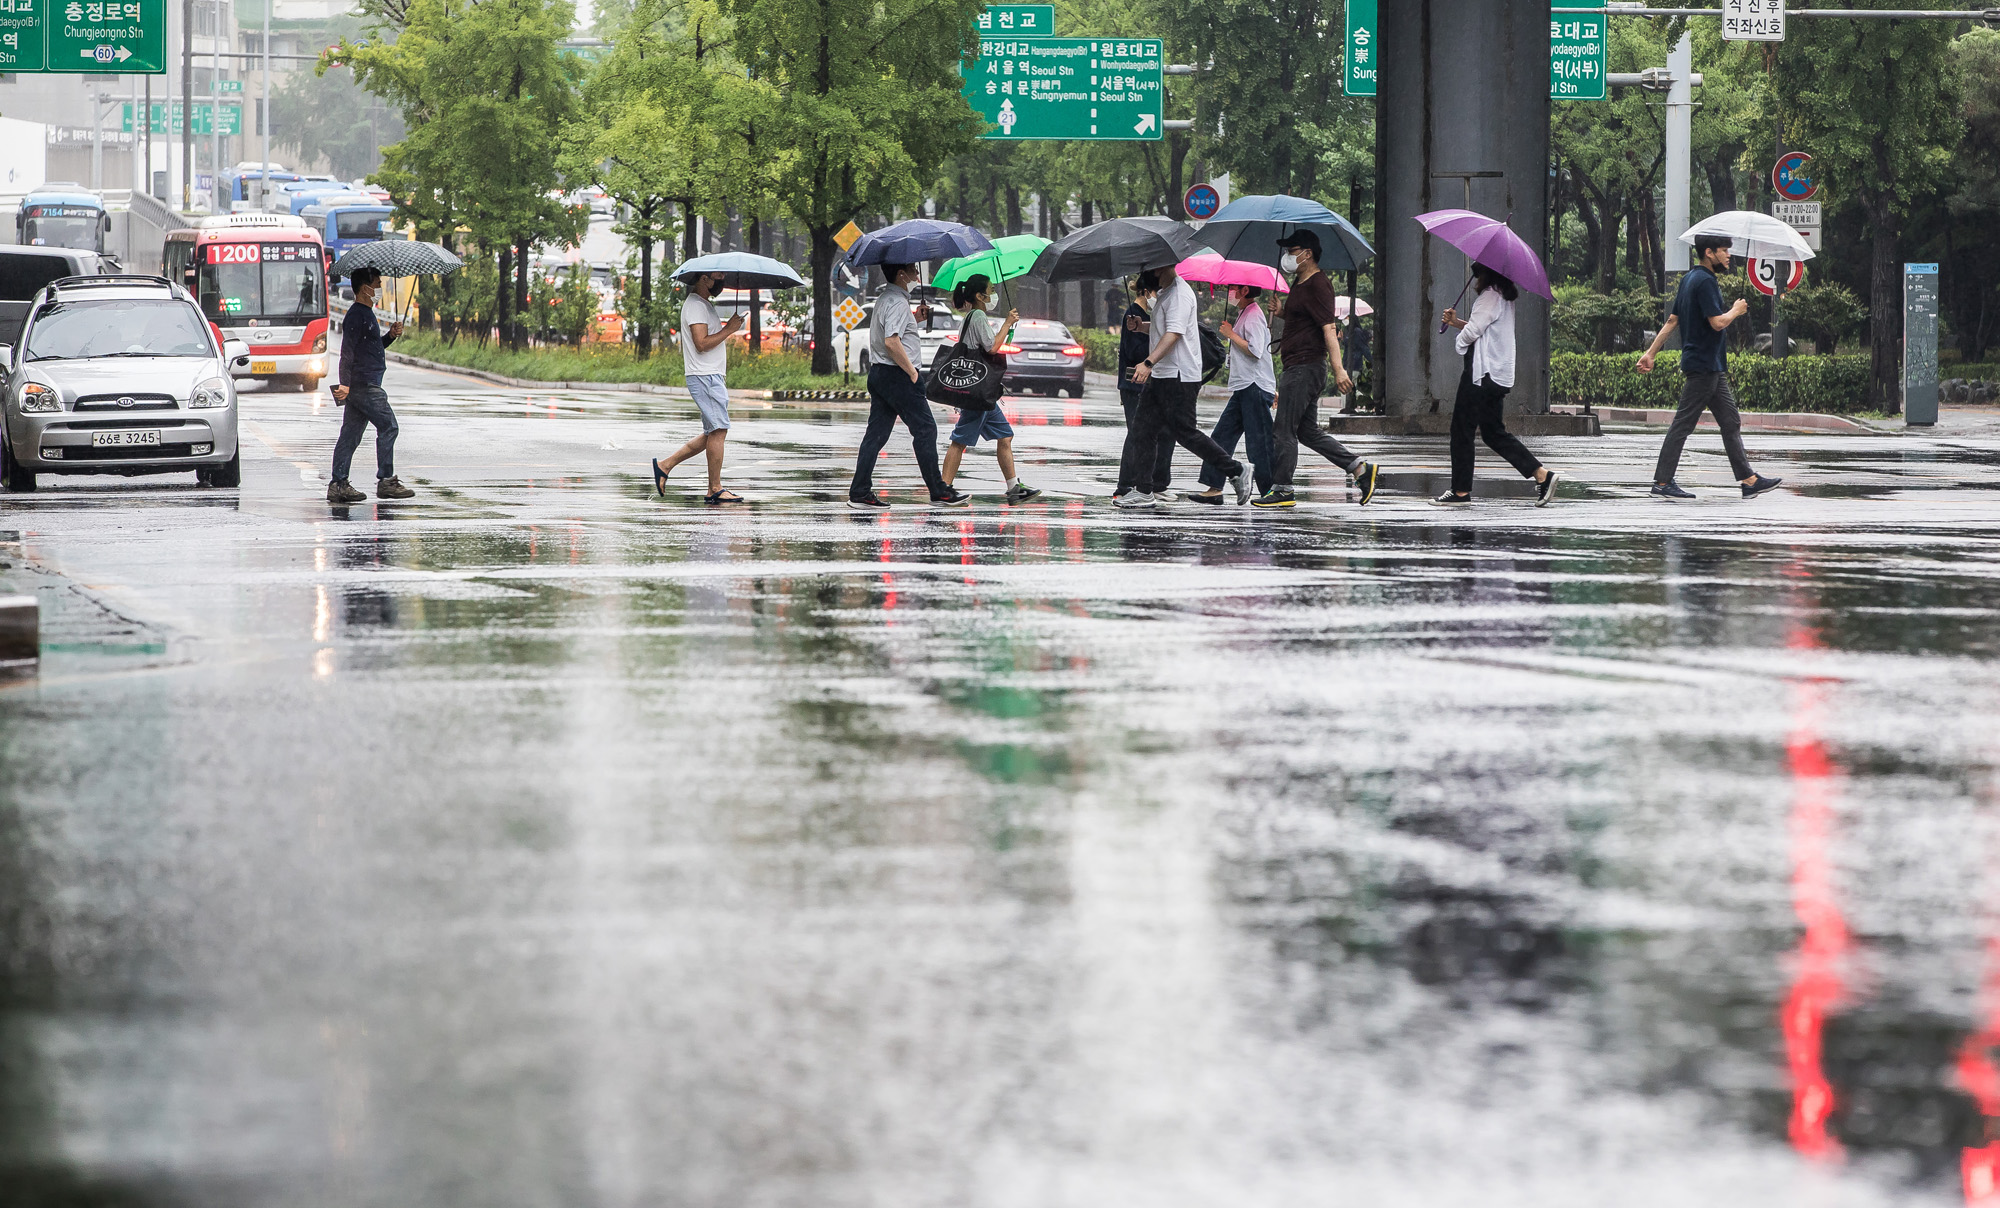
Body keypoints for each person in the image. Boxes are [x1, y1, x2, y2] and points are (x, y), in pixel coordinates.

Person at [1636, 234, 1784, 500]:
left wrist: (1650, 353)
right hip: (1704, 365)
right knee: (1682, 424)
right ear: (1709, 253)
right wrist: (1736, 310)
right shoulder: (1705, 281)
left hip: (1711, 366)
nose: (1728, 255)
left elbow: (1671, 321)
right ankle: (1661, 483)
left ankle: (1748, 480)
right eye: (1724, 250)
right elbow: (1717, 322)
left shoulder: (1689, 279)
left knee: (1730, 421)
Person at [1254, 230, 1380, 509]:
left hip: (1305, 366)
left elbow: (1328, 328)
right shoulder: (1300, 283)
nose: (1287, 256)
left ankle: (1283, 489)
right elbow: (1305, 319)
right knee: (1307, 431)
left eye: (1292, 250)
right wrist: (1283, 311)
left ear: (1307, 253)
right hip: (1297, 365)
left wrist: (1339, 370)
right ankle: (1360, 469)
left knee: (1283, 428)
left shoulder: (1319, 284)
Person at [1114, 259, 1251, 509]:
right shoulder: (1167, 293)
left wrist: (1148, 362)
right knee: (1142, 431)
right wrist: (1142, 326)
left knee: (1185, 433)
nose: (1146, 277)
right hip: (1163, 376)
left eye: (1147, 271)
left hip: (1178, 376)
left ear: (1160, 267)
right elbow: (1166, 329)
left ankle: (1237, 470)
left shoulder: (1179, 293)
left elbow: (1174, 334)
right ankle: (1144, 490)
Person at [1432, 263, 1558, 507]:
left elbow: (1474, 332)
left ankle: (1459, 492)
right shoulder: (1502, 296)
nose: (1475, 278)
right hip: (1496, 377)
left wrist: (1459, 339)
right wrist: (1458, 322)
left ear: (1485, 274)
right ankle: (1542, 475)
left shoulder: (1489, 296)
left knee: (1461, 430)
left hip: (1480, 374)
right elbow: (1486, 330)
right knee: (1493, 433)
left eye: (1477, 272)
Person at [849, 263, 965, 510]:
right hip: (898, 376)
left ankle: (859, 491)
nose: (917, 275)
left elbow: (890, 333)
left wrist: (915, 319)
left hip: (879, 374)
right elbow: (891, 342)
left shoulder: (886, 298)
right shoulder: (898, 302)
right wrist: (912, 372)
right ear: (901, 275)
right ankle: (938, 490)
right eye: (913, 271)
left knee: (876, 435)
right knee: (925, 429)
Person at [939, 275, 1041, 503]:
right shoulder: (978, 316)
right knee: (959, 441)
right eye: (991, 289)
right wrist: (1006, 323)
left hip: (984, 391)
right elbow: (992, 347)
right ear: (979, 296)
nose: (993, 293)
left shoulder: (971, 317)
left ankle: (1014, 488)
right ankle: (943, 489)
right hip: (978, 392)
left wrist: (1005, 328)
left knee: (1005, 436)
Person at [651, 268, 746, 504]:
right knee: (719, 430)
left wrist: (726, 328)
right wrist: (729, 330)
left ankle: (665, 465)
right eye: (718, 278)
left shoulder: (704, 304)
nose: (721, 282)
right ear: (704, 279)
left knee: (713, 432)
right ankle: (714, 488)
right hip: (704, 376)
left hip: (711, 375)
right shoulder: (695, 305)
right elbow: (701, 343)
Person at [327, 266, 412, 503]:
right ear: (365, 288)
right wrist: (344, 384)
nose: (379, 289)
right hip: (364, 385)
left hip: (362, 384)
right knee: (389, 426)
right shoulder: (357, 314)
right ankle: (386, 481)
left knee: (350, 435)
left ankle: (338, 484)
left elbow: (371, 348)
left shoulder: (366, 314)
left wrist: (390, 336)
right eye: (377, 284)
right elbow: (348, 351)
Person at [1189, 284, 1276, 503]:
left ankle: (1269, 491)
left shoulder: (1254, 315)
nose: (1229, 291)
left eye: (1232, 288)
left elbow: (1256, 351)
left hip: (1254, 386)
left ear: (1244, 290)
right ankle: (1214, 487)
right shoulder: (1243, 314)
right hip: (1244, 386)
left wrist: (1230, 334)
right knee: (1221, 435)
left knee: (1258, 442)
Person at [1115, 275, 1173, 499]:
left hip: (1145, 383)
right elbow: (1134, 353)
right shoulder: (1133, 314)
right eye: (1156, 292)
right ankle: (1125, 485)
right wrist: (1157, 348)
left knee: (1148, 433)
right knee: (1137, 434)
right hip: (1134, 384)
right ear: (1147, 292)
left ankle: (1149, 483)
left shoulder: (1145, 316)